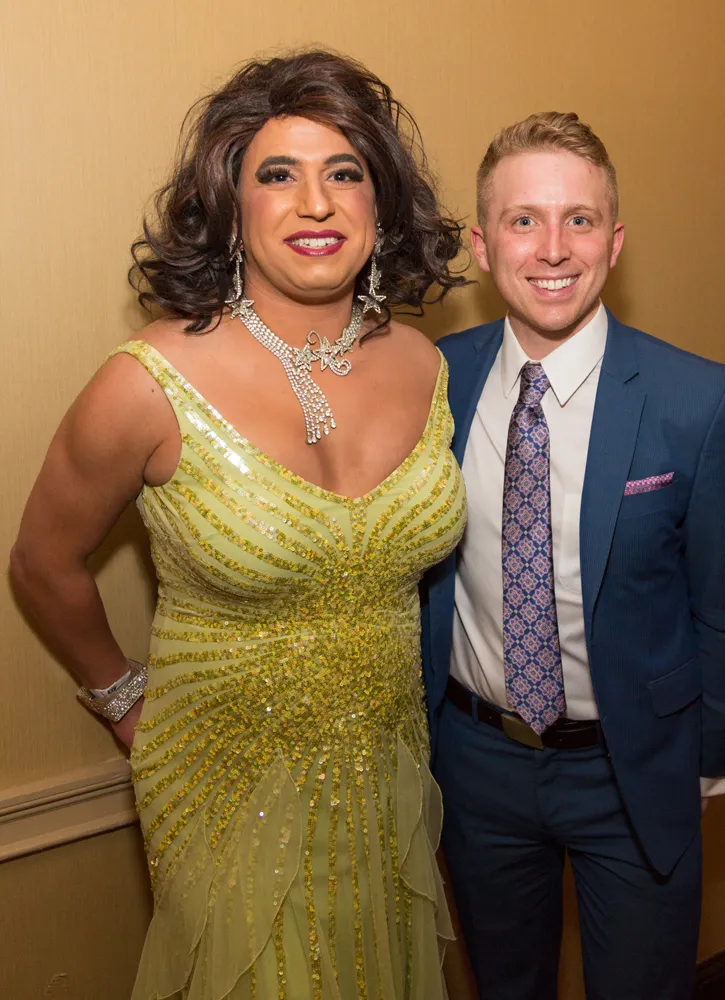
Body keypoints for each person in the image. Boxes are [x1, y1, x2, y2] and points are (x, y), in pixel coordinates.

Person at [10, 51, 469, 1000]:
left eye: (345, 172)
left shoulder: (427, 367)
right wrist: (124, 701)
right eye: (278, 175)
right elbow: (42, 563)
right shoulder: (145, 384)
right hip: (220, 777)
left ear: (380, 204)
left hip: (389, 767)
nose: (316, 203)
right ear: (230, 204)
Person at [421, 112, 725, 1000]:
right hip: (476, 762)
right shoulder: (429, 383)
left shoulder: (700, 402)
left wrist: (706, 762)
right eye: (523, 220)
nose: (552, 249)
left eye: (579, 220)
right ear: (483, 245)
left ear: (613, 242)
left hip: (633, 768)